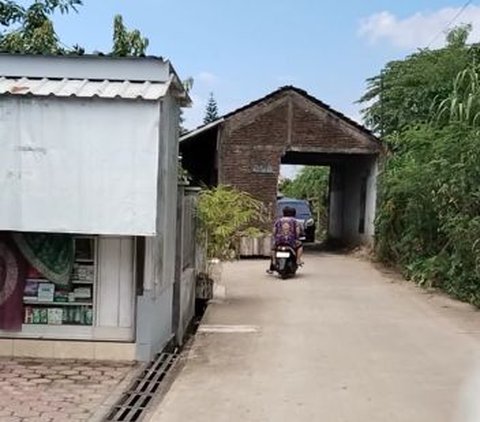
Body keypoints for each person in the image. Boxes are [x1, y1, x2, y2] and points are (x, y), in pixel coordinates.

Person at [268, 206, 304, 273]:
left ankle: (273, 261)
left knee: (273, 248)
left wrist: (276, 237)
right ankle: (298, 260)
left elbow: (274, 231)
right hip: (291, 241)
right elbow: (298, 231)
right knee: (300, 246)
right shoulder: (295, 221)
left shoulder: (278, 220)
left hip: (279, 241)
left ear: (283, 213)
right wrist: (298, 236)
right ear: (294, 213)